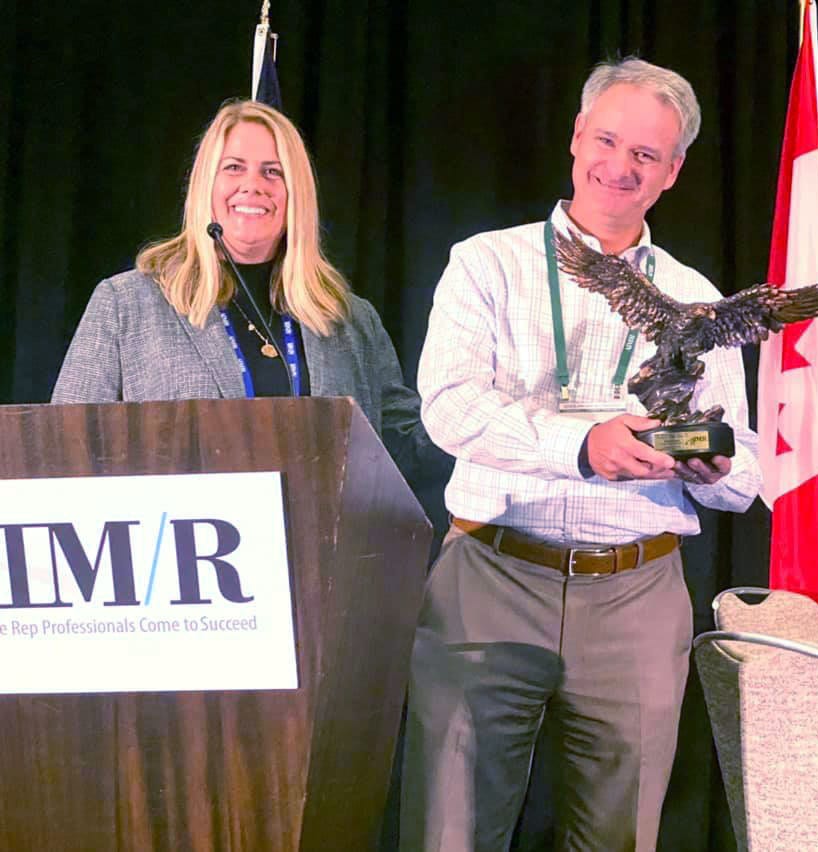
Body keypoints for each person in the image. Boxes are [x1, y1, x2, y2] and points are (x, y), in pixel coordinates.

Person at [401, 58, 761, 850]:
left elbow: (747, 468)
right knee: (448, 831)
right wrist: (583, 446)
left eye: (645, 154)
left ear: (673, 172)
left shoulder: (699, 298)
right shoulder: (485, 263)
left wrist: (716, 464)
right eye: (607, 139)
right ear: (575, 138)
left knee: (619, 838)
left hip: (638, 594)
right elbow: (450, 409)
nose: (619, 167)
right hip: (489, 577)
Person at [51, 100, 439, 481]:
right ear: (206, 184)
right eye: (234, 168)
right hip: (180, 541)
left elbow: (406, 445)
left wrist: (485, 404)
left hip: (318, 542)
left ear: (296, 193)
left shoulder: (350, 320)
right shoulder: (127, 304)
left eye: (273, 172)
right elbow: (63, 447)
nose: (253, 185)